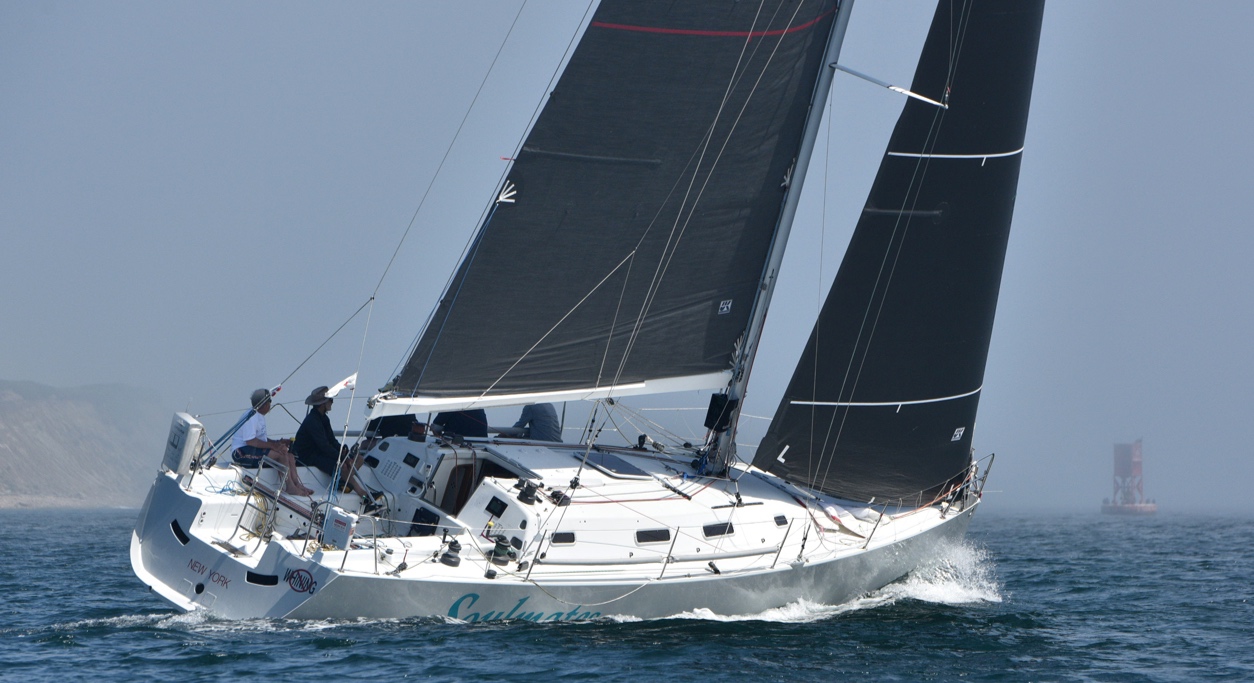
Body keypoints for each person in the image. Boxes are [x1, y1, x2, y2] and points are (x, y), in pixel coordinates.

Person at [231, 388, 314, 496]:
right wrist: (273, 446)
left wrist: (278, 443)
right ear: (264, 404)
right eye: (269, 401)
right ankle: (290, 487)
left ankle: (297, 484)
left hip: (251, 448)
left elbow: (261, 440)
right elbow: (250, 441)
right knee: (281, 455)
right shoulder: (252, 417)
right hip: (240, 452)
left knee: (290, 456)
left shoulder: (259, 416)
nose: (271, 404)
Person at [293, 386, 371, 500]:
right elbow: (323, 445)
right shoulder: (312, 421)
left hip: (321, 452)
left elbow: (332, 441)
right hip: (309, 456)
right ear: (323, 403)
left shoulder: (324, 418)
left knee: (359, 459)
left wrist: (344, 452)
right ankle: (361, 492)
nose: (332, 402)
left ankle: (342, 481)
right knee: (342, 465)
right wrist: (342, 457)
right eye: (330, 400)